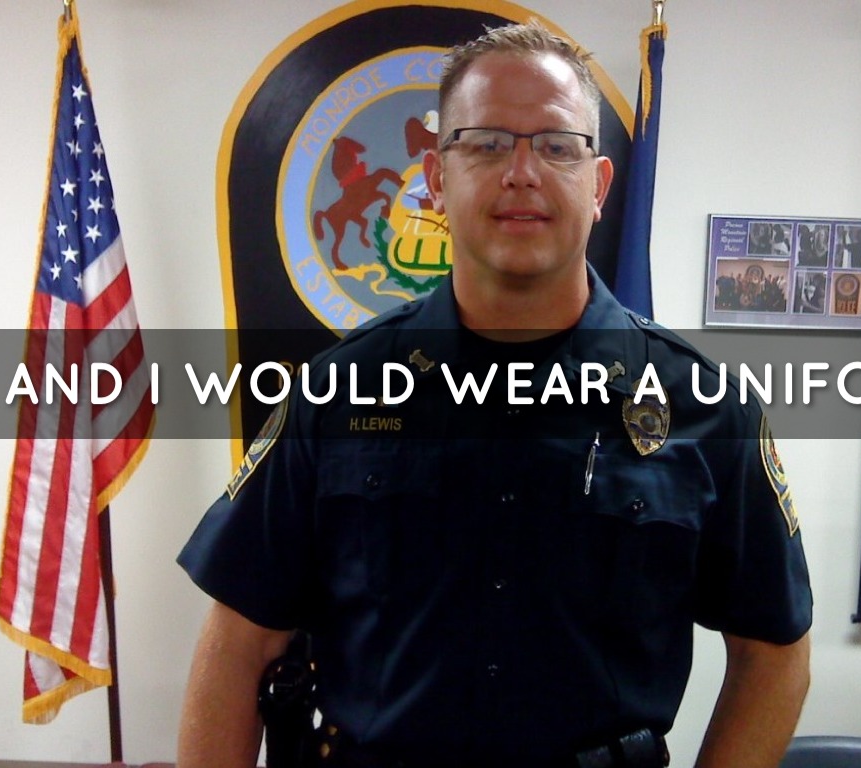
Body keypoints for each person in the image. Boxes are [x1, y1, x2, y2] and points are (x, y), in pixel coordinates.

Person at [177, 21, 812, 768]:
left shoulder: (704, 405)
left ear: (599, 185)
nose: (521, 172)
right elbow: (239, 642)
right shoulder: (336, 391)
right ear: (436, 180)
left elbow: (774, 654)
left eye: (557, 146)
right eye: (485, 144)